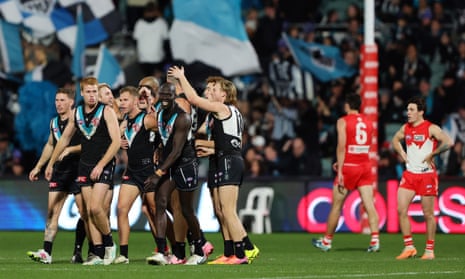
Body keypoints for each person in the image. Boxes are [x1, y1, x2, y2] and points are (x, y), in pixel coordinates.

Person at [168, 66, 260, 265]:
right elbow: (224, 139)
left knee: (227, 210)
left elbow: (194, 100)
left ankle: (241, 253)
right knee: (220, 210)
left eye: (213, 89)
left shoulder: (222, 108)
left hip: (227, 161)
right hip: (223, 158)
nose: (209, 92)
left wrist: (182, 78)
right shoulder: (224, 113)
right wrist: (209, 148)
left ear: (224, 95)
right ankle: (229, 253)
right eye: (208, 89)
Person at [45, 77, 120, 265]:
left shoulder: (107, 111)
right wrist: (51, 162)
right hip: (84, 166)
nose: (92, 95)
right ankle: (97, 252)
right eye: (88, 92)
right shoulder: (77, 113)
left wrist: (101, 164)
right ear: (82, 93)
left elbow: (116, 142)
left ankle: (109, 243)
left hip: (103, 164)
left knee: (96, 207)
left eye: (95, 91)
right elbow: (63, 139)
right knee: (87, 211)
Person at [144, 83, 206, 265]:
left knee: (186, 210)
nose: (164, 98)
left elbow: (177, 151)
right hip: (169, 166)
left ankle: (199, 249)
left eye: (167, 95)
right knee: (160, 202)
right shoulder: (161, 114)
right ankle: (162, 251)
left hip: (185, 166)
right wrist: (157, 148)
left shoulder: (183, 118)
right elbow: (164, 138)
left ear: (173, 96)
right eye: (161, 95)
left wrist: (158, 172)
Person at [312, 93, 380, 253]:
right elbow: (367, 144)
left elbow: (342, 146)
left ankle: (327, 242)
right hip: (365, 165)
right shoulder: (369, 122)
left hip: (349, 167)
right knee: (369, 204)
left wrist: (341, 169)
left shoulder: (343, 121)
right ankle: (375, 240)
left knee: (336, 205)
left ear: (347, 105)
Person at [391, 96, 452, 260]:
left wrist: (433, 153)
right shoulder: (406, 128)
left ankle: (429, 251)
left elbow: (448, 142)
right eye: (408, 109)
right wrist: (401, 152)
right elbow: (395, 140)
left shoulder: (431, 128)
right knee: (400, 210)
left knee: (428, 214)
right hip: (409, 175)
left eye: (411, 110)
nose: (408, 113)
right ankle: (409, 247)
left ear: (420, 112)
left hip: (427, 175)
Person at [27, 88, 83, 264]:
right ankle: (46, 252)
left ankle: (78, 252)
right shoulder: (54, 123)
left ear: (71, 102)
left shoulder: (79, 121)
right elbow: (50, 145)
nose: (58, 104)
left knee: (86, 213)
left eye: (62, 100)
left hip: (78, 170)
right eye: (56, 100)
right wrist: (38, 166)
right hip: (60, 172)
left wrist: (69, 150)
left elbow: (89, 145)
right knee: (52, 213)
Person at [112, 86, 158, 264]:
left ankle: (165, 249)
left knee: (155, 211)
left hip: (148, 172)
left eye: (124, 100)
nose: (121, 103)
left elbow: (166, 129)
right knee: (121, 209)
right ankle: (123, 254)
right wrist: (121, 142)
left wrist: (159, 150)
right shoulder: (125, 122)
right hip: (131, 172)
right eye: (120, 100)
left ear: (134, 101)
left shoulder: (146, 120)